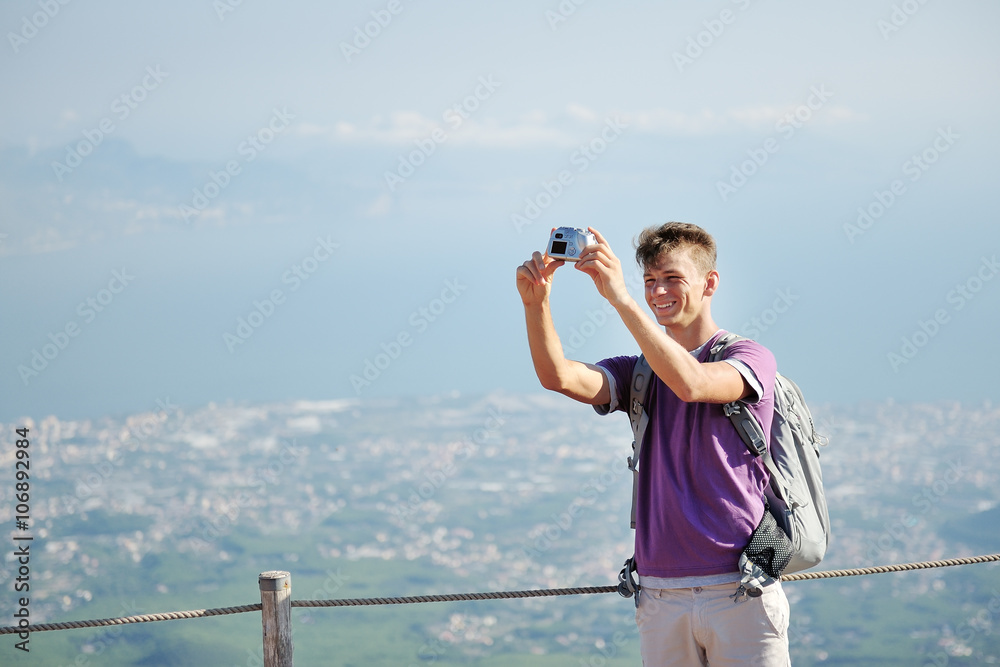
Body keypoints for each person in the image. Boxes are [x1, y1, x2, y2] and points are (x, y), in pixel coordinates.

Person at [515, 222, 790, 666]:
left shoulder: (748, 357)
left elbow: (692, 383)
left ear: (709, 284)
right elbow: (559, 377)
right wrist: (536, 303)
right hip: (661, 592)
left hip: (740, 588)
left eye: (672, 279)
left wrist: (620, 297)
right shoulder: (638, 372)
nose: (658, 291)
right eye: (649, 281)